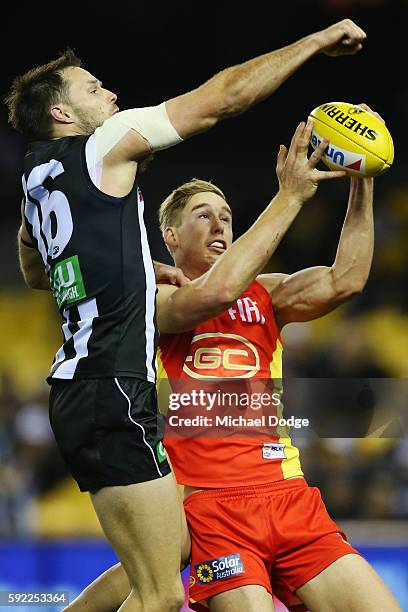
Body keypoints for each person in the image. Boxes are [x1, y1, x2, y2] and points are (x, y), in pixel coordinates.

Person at [6, 19, 368, 612]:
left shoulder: (36, 181)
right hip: (113, 387)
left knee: (169, 552)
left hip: (79, 387)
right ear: (63, 115)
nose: (113, 97)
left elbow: (35, 271)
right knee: (160, 593)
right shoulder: (103, 144)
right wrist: (314, 43)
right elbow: (223, 100)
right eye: (94, 90)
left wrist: (136, 267)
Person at [65, 119, 401, 611]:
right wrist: (288, 195)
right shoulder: (152, 298)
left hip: (288, 496)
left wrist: (362, 178)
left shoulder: (264, 292)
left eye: (225, 215)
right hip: (213, 507)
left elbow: (345, 280)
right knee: (154, 579)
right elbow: (215, 293)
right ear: (170, 236)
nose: (220, 224)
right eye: (204, 216)